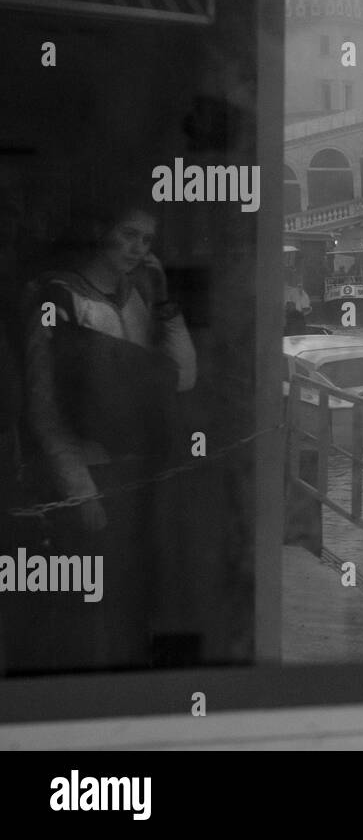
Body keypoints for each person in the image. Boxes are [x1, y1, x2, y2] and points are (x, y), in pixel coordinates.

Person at [9, 200, 196, 673]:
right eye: (129, 234)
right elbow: (44, 407)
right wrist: (79, 491)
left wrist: (165, 300)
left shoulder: (138, 296)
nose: (137, 249)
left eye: (147, 240)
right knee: (88, 616)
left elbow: (183, 378)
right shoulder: (59, 298)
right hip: (84, 480)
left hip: (138, 476)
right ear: (102, 231)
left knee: (137, 607)